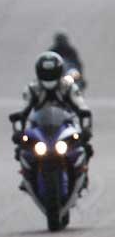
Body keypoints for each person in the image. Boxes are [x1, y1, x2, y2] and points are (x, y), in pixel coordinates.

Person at [9, 52, 92, 188]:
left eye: (51, 73)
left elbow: (80, 104)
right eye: (46, 73)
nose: (49, 76)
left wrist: (85, 127)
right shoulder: (32, 88)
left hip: (65, 125)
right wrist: (19, 128)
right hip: (39, 127)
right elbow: (24, 108)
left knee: (85, 148)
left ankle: (83, 174)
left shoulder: (68, 86)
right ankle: (27, 176)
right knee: (22, 150)